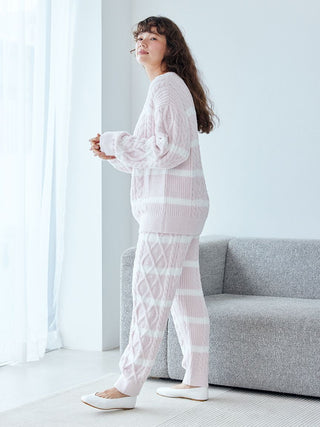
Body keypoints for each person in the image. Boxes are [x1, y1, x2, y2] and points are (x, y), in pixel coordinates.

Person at [82, 15, 219, 411]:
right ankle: (195, 381)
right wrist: (114, 152)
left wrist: (117, 139)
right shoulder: (169, 88)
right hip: (182, 209)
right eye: (139, 37)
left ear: (169, 47)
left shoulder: (166, 87)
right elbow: (159, 154)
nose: (142, 42)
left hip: (168, 212)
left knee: (147, 296)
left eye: (152, 37)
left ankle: (127, 386)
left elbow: (169, 151)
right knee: (184, 296)